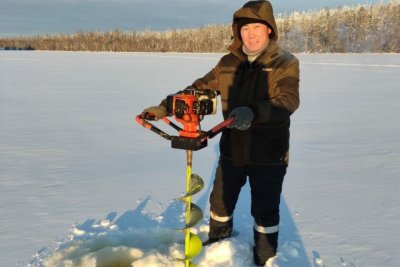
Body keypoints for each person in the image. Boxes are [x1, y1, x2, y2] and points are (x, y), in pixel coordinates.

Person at [142, 1, 300, 265]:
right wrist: (164, 107)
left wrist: (253, 113)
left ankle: (265, 257)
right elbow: (197, 89)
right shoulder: (228, 62)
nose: (250, 34)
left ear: (270, 30)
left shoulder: (285, 62)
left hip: (269, 152)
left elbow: (287, 100)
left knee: (264, 210)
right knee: (220, 203)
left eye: (257, 27)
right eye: (245, 28)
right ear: (238, 31)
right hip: (232, 149)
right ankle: (217, 246)